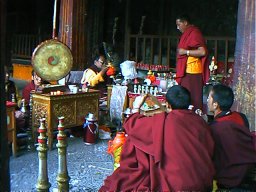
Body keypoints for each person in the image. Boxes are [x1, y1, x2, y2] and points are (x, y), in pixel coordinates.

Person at [100, 85, 215, 191]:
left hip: (176, 185)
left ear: (168, 105)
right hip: (203, 182)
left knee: (137, 141)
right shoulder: (201, 122)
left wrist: (136, 108)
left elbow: (133, 127)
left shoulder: (163, 121)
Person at [207, 84, 256, 190]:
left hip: (229, 177)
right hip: (249, 172)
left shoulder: (214, 128)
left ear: (215, 105)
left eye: (209, 98)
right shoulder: (241, 117)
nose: (207, 100)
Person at [176, 14, 210, 111]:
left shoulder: (194, 33)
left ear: (185, 23)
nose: (177, 28)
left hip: (193, 71)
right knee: (185, 97)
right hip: (186, 70)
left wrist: (185, 52)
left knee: (193, 98)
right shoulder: (187, 33)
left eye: (179, 24)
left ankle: (194, 119)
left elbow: (202, 51)